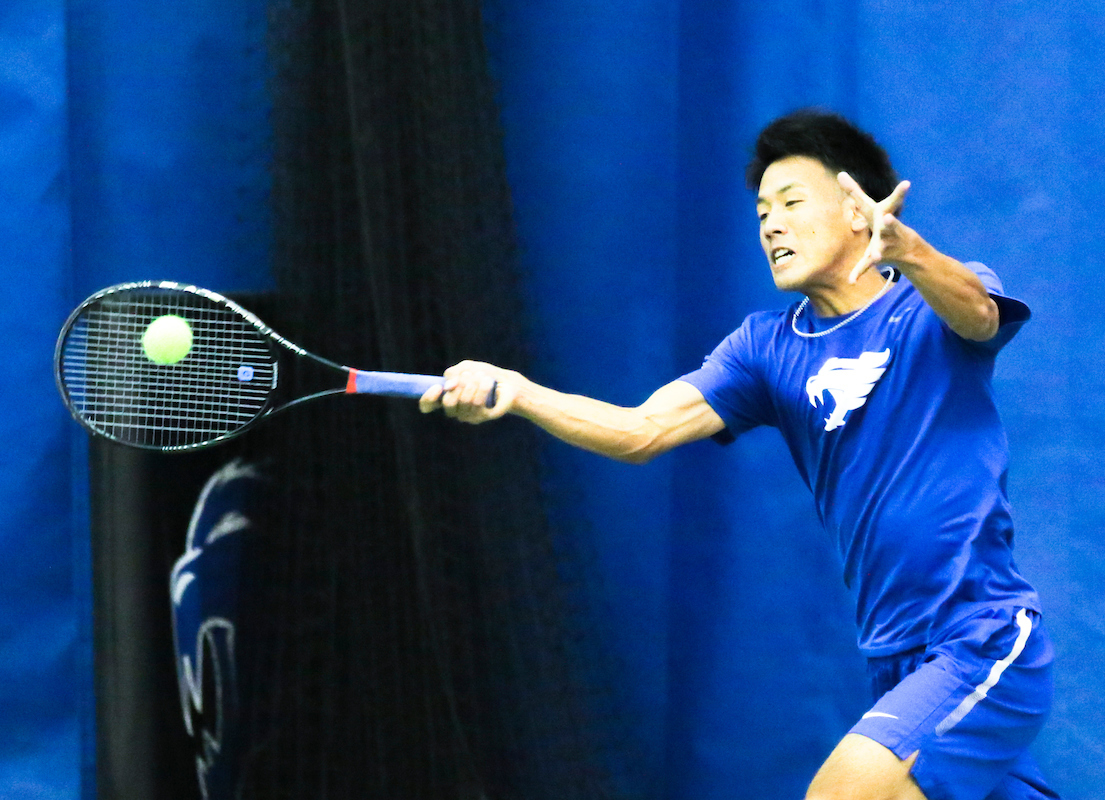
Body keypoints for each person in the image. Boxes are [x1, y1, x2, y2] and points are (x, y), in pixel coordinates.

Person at [420, 109, 1058, 800]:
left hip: (981, 637)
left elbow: (980, 314)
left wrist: (909, 251)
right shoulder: (764, 349)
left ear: (855, 210)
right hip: (891, 658)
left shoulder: (930, 304)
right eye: (762, 214)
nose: (772, 226)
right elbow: (642, 431)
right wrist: (519, 393)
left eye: (791, 203)